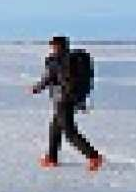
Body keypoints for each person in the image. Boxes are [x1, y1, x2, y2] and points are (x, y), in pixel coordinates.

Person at [28, 35, 104, 171]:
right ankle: (52, 157)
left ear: (57, 46)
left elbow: (49, 78)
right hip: (72, 97)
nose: (51, 48)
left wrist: (37, 88)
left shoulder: (57, 60)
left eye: (53, 45)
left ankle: (93, 156)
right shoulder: (73, 59)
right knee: (55, 128)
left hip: (62, 98)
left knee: (69, 131)